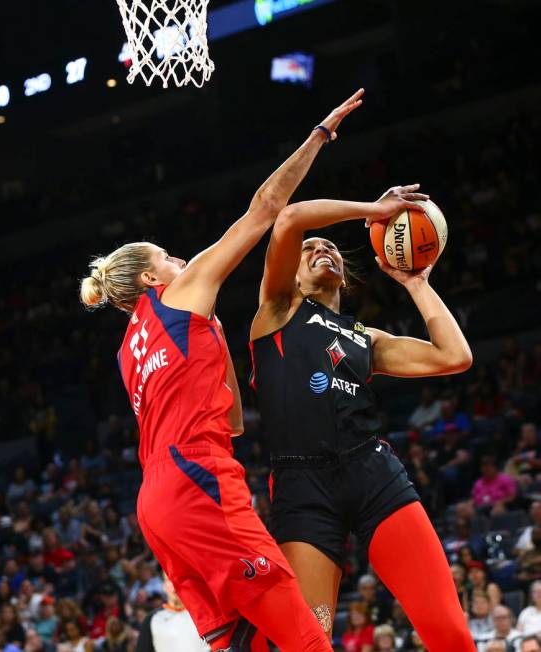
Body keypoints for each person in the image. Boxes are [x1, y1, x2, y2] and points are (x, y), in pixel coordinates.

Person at [80, 89, 366, 652]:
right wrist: (319, 136)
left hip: (155, 502)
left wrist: (211, 339)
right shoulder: (180, 293)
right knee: (302, 634)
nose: (180, 260)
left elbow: (232, 417)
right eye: (167, 256)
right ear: (149, 278)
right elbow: (265, 209)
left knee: (244, 643)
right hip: (197, 478)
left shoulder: (129, 348)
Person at [249, 191, 475, 651]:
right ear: (290, 272)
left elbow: (455, 356)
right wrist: (374, 211)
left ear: (346, 275)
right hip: (303, 489)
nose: (322, 250)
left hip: (373, 475)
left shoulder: (364, 337)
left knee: (450, 633)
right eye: (310, 249)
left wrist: (415, 283)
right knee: (308, 644)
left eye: (329, 248)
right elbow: (289, 216)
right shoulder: (276, 311)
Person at [135, 574, 209, 652]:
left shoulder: (205, 612)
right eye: (170, 579)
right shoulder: (151, 619)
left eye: (179, 579)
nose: (175, 584)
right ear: (164, 586)